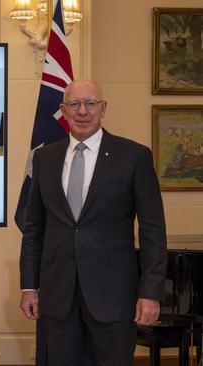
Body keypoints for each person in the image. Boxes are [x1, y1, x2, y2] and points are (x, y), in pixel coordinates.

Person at [19, 80, 167, 366]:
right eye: (74, 104)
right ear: (63, 110)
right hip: (57, 297)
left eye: (90, 103)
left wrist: (150, 293)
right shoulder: (45, 158)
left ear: (103, 108)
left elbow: (153, 231)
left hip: (113, 297)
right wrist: (29, 287)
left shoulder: (134, 156)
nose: (82, 111)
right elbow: (34, 229)